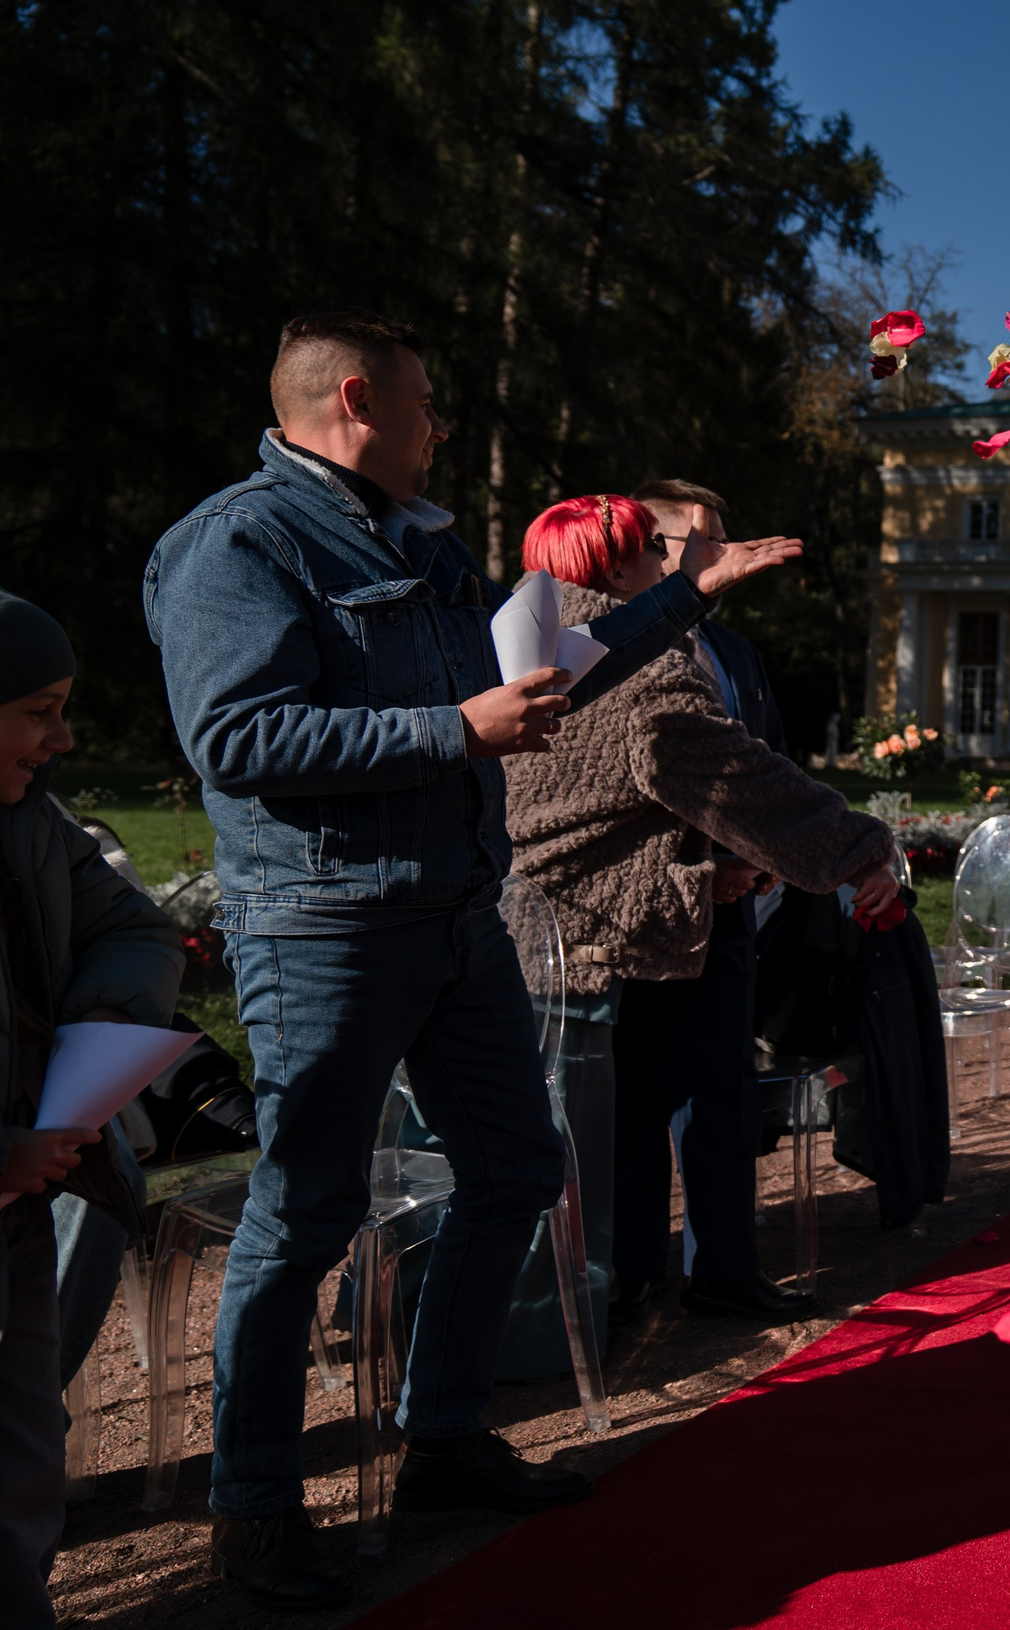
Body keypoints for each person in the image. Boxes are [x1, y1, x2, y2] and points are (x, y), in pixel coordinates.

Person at [143, 311, 802, 1607]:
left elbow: (549, 676)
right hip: (328, 925)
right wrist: (453, 730)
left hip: (458, 918)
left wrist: (684, 600)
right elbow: (240, 739)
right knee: (309, 1212)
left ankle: (440, 1438)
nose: (440, 424)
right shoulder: (238, 542)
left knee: (518, 1169)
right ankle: (257, 1506)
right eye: (427, 402)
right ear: (353, 401)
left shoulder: (424, 547)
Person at [504, 490, 895, 1327]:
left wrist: (700, 864)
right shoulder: (644, 661)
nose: (667, 563)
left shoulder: (515, 642)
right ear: (616, 564)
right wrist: (863, 846)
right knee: (650, 1109)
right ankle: (615, 1298)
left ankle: (626, 1285)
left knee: (622, 1118)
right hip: (619, 929)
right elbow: (735, 779)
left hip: (553, 932)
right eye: (655, 546)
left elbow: (590, 805)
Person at [0, 591, 184, 1629]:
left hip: (34, 1186)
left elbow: (139, 930)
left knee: (27, 1447)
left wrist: (89, 1050)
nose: (63, 737)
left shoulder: (36, 820)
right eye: (39, 708)